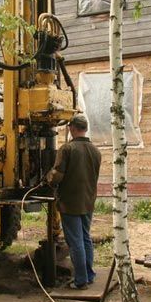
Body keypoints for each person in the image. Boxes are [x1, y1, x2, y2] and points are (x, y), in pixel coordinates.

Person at [47, 114, 101, 290]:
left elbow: (57, 176)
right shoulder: (95, 151)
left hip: (70, 202)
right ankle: (89, 275)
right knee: (85, 238)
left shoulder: (67, 149)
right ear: (84, 128)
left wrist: (48, 179)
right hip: (88, 201)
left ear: (72, 128)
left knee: (75, 241)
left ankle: (80, 281)